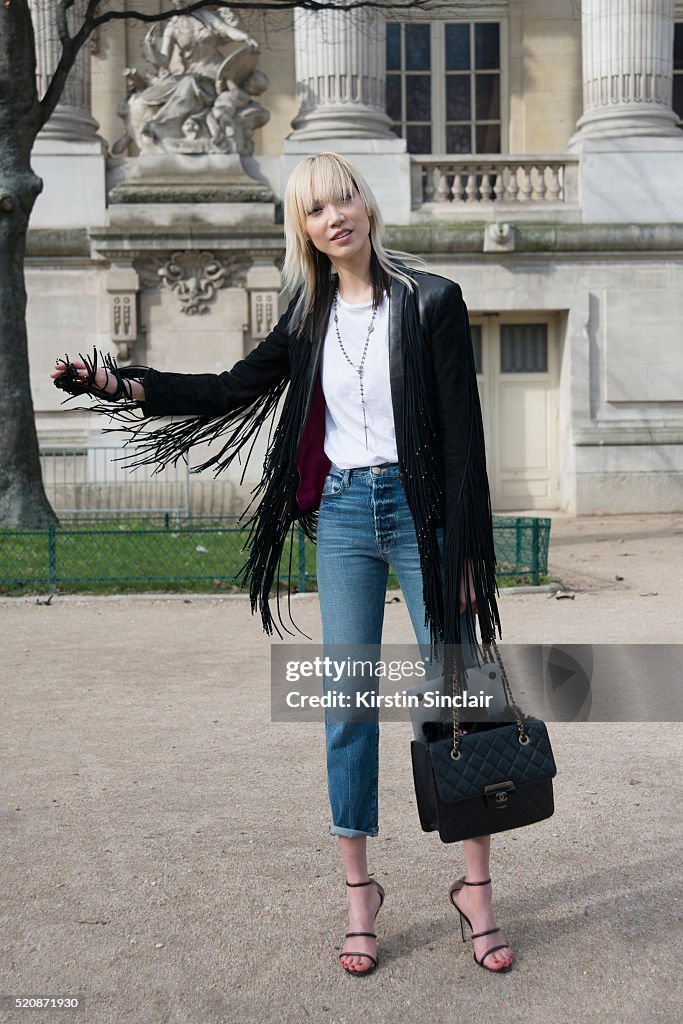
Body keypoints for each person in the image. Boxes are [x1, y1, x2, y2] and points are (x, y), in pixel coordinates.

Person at [51, 153, 513, 975]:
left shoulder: (431, 300)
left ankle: (475, 887)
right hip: (340, 515)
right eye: (313, 210)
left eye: (342, 199)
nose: (333, 216)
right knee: (346, 705)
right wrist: (118, 385)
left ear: (365, 207)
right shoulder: (306, 315)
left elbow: (465, 439)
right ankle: (359, 893)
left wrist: (469, 549)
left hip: (424, 516)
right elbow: (229, 387)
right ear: (302, 229)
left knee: (457, 696)